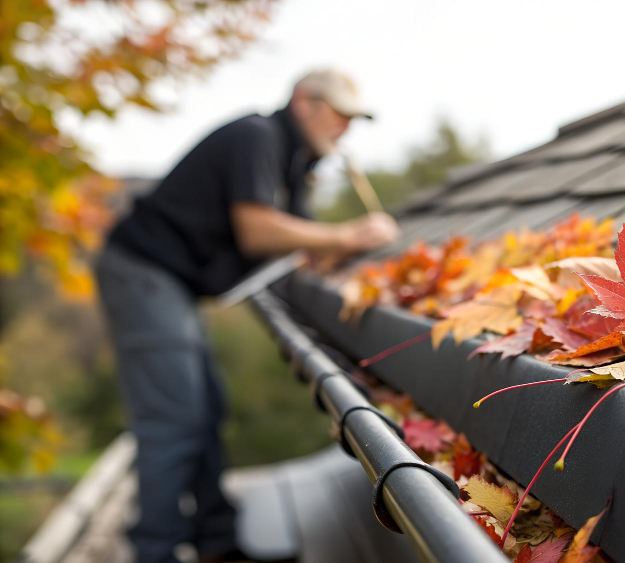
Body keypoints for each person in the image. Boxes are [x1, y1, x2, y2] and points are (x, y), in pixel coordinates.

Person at [95, 69, 399, 563]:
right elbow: (257, 231)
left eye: (352, 119)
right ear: (303, 102)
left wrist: (342, 249)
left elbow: (297, 243)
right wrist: (346, 234)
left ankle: (216, 541)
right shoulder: (257, 137)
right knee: (174, 419)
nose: (344, 127)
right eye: (338, 114)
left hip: (174, 285)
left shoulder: (294, 161)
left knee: (206, 409)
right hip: (143, 273)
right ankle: (155, 550)